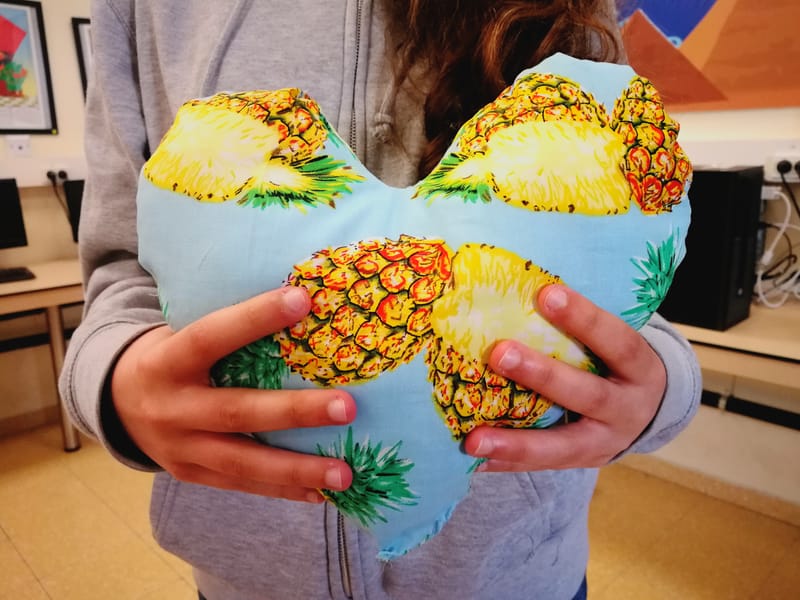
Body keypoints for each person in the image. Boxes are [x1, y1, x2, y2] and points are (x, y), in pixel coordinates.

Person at [61, 1, 702, 598]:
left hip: (517, 572)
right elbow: (121, 270)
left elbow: (617, 254)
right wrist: (118, 382)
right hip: (249, 574)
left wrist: (659, 389)